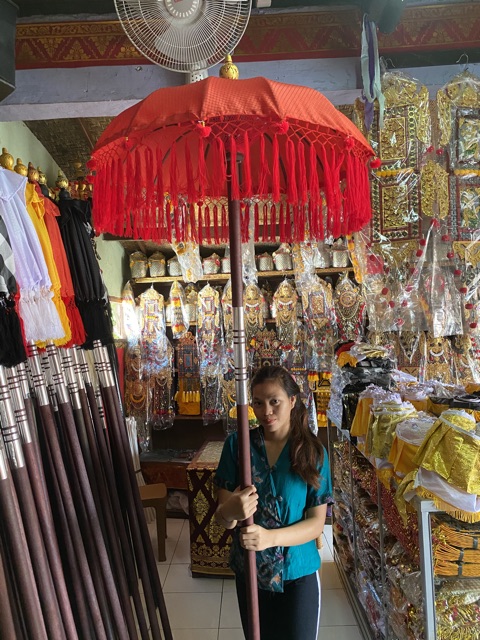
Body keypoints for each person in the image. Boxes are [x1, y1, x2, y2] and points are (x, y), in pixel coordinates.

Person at [214, 365, 332, 640]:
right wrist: (231, 509)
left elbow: (316, 524)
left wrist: (269, 538)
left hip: (297, 573)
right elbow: (223, 518)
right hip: (250, 572)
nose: (265, 411)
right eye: (258, 403)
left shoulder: (313, 453)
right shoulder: (237, 446)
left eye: (274, 401)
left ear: (292, 401)